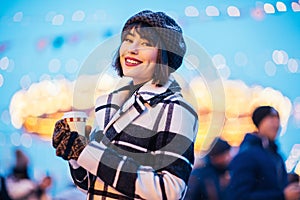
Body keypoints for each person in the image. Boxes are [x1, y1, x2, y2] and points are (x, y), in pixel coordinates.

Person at [52, 10, 198, 200]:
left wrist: (87, 152)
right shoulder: (110, 105)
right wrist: (74, 151)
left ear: (165, 56)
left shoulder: (175, 108)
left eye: (145, 43)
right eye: (128, 40)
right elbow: (92, 185)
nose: (132, 49)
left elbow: (169, 192)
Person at [227, 105, 300, 200]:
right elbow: (241, 196)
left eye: (278, 120)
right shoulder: (247, 155)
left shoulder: (276, 156)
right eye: (271, 119)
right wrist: (282, 196)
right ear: (260, 123)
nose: (276, 124)